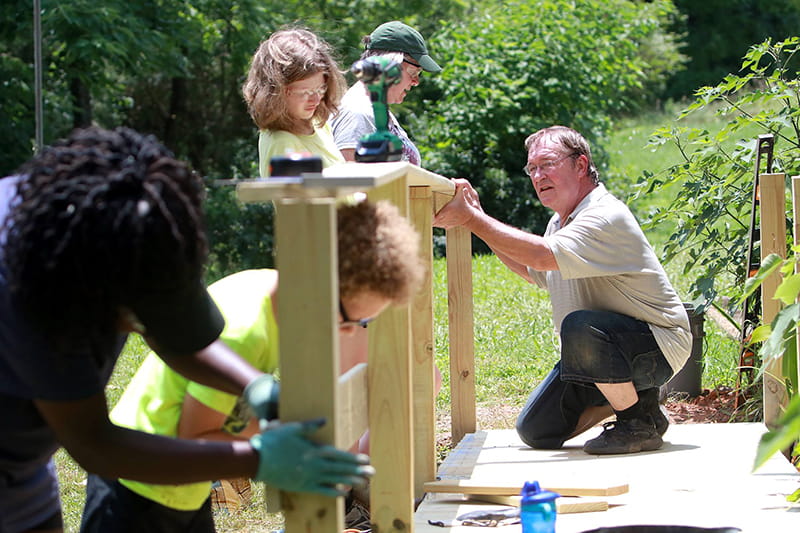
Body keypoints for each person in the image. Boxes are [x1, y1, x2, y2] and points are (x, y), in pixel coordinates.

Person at [0, 127, 372, 533]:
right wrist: (257, 459)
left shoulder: (138, 226)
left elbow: (182, 339)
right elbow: (93, 444)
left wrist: (256, 389)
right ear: (100, 292)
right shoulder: (33, 288)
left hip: (25, 473)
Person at [79, 199, 424, 532]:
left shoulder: (269, 292)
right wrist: (277, 446)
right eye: (350, 320)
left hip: (180, 488)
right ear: (317, 285)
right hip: (139, 490)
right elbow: (196, 433)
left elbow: (233, 414)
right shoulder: (245, 331)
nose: (350, 333)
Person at [433, 125, 692, 455]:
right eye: (532, 168)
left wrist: (471, 219)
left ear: (580, 165)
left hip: (658, 345)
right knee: (536, 431)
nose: (538, 175)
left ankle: (636, 422)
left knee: (580, 327)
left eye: (547, 164)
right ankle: (643, 401)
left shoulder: (604, 214)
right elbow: (532, 269)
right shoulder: (560, 223)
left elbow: (541, 256)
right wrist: (478, 217)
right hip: (600, 349)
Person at [330, 20, 442, 165]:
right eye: (413, 72)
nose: (416, 81)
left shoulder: (376, 110)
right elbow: (350, 182)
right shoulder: (357, 112)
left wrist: (448, 186)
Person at [242, 28, 348, 177]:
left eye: (320, 89)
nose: (316, 99)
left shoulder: (318, 125)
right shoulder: (282, 142)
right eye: (305, 92)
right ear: (275, 93)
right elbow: (294, 200)